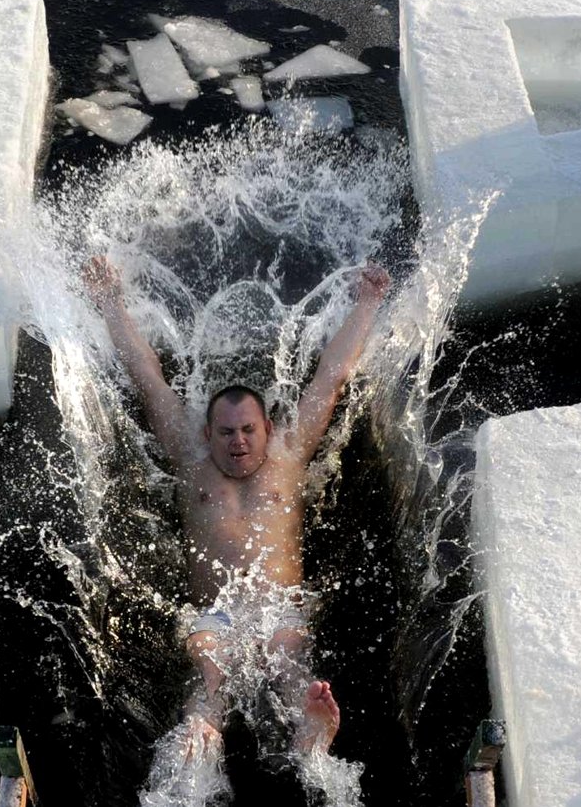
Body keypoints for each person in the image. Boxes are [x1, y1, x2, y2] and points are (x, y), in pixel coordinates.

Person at [83, 254, 391, 776]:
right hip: (216, 613)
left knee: (291, 659)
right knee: (209, 665)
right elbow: (146, 376)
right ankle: (203, 729)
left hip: (279, 607)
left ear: (267, 428)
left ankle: (309, 729)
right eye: (226, 433)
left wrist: (366, 303)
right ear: (208, 434)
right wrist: (110, 297)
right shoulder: (190, 460)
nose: (239, 442)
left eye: (248, 430)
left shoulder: (289, 458)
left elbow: (331, 378)